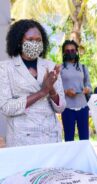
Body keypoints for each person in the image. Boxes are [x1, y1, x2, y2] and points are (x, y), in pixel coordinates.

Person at [0, 19, 65, 147]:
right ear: (19, 42)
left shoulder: (50, 66)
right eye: (30, 40)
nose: (35, 43)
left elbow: (61, 108)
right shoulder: (5, 68)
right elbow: (6, 107)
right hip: (22, 139)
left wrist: (51, 90)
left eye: (38, 40)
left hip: (50, 137)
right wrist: (42, 92)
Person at [60, 40, 92, 141]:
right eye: (67, 51)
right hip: (67, 108)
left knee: (85, 138)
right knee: (69, 138)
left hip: (83, 107)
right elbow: (55, 88)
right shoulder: (59, 68)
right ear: (63, 53)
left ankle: (84, 157)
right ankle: (70, 157)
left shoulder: (83, 67)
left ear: (76, 51)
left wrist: (87, 89)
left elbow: (88, 84)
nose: (70, 52)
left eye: (73, 50)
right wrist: (66, 92)